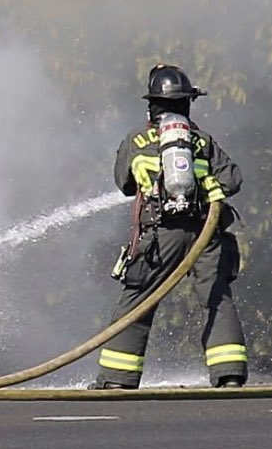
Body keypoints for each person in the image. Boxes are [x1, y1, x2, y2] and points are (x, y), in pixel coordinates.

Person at [93, 63, 248, 389]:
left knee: (138, 298)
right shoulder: (201, 141)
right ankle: (229, 374)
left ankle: (117, 379)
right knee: (216, 298)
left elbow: (124, 183)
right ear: (187, 103)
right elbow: (233, 178)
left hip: (161, 235)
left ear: (152, 105)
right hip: (206, 234)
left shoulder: (136, 139)